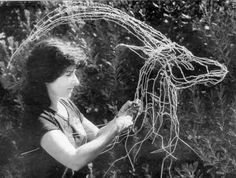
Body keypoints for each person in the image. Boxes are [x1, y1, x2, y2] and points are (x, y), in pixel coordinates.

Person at [21, 38, 141, 178]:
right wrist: (116, 127)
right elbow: (74, 160)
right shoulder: (39, 119)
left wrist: (119, 119)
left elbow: (97, 136)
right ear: (46, 75)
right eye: (68, 74)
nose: (76, 81)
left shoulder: (65, 104)